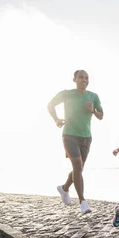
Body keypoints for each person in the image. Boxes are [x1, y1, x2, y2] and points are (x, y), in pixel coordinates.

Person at [47, 70, 103, 214]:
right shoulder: (66, 94)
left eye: (86, 78)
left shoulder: (93, 96)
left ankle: (64, 188)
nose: (84, 80)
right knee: (77, 166)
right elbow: (50, 105)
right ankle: (82, 202)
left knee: (79, 169)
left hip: (86, 137)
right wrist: (57, 119)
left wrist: (92, 111)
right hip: (69, 135)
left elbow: (101, 115)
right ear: (74, 79)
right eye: (81, 77)